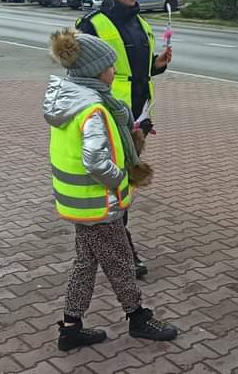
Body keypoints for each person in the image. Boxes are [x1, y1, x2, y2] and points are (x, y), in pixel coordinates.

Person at [46, 27, 178, 350]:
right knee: (119, 260)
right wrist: (120, 178)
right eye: (109, 66)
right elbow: (95, 160)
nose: (114, 71)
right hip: (97, 202)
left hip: (78, 201)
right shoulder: (92, 108)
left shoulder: (71, 98)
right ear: (93, 71)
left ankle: (70, 326)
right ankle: (138, 317)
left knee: (86, 261)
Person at [75, 0, 172, 279]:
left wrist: (157, 64)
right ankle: (120, 252)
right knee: (116, 189)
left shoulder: (141, 23)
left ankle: (113, 248)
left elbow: (139, 71)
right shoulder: (93, 25)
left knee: (123, 189)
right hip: (109, 119)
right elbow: (79, 74)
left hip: (138, 118)